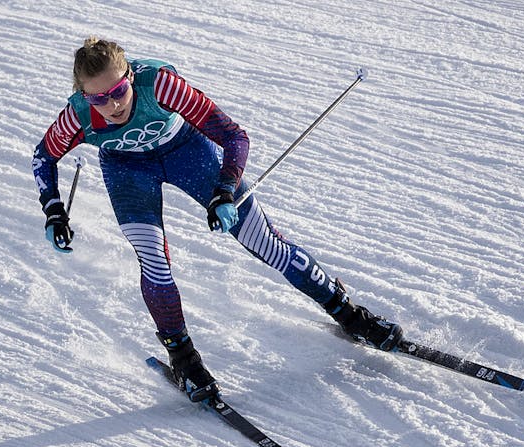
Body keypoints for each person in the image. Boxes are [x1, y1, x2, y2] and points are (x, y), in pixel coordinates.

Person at [32, 37, 402, 402]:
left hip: (187, 152)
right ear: (83, 94)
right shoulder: (77, 117)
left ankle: (347, 312)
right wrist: (53, 210)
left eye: (119, 90)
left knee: (264, 243)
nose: (112, 104)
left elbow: (233, 135)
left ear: (130, 76)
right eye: (98, 97)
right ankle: (184, 360)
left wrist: (225, 191)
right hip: (129, 173)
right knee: (155, 263)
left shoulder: (159, 85)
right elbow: (43, 157)